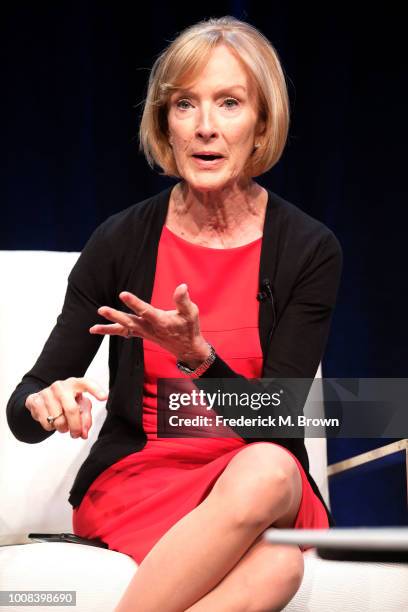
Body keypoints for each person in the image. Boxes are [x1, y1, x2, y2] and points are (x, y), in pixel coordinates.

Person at [6, 15, 343, 612]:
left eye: (229, 103)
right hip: (145, 480)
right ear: (166, 122)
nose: (206, 127)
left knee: (268, 469)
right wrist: (43, 401)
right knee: (276, 568)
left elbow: (280, 421)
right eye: (185, 105)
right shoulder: (120, 241)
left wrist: (197, 357)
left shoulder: (308, 250)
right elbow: (25, 411)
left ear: (262, 123)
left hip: (259, 477)